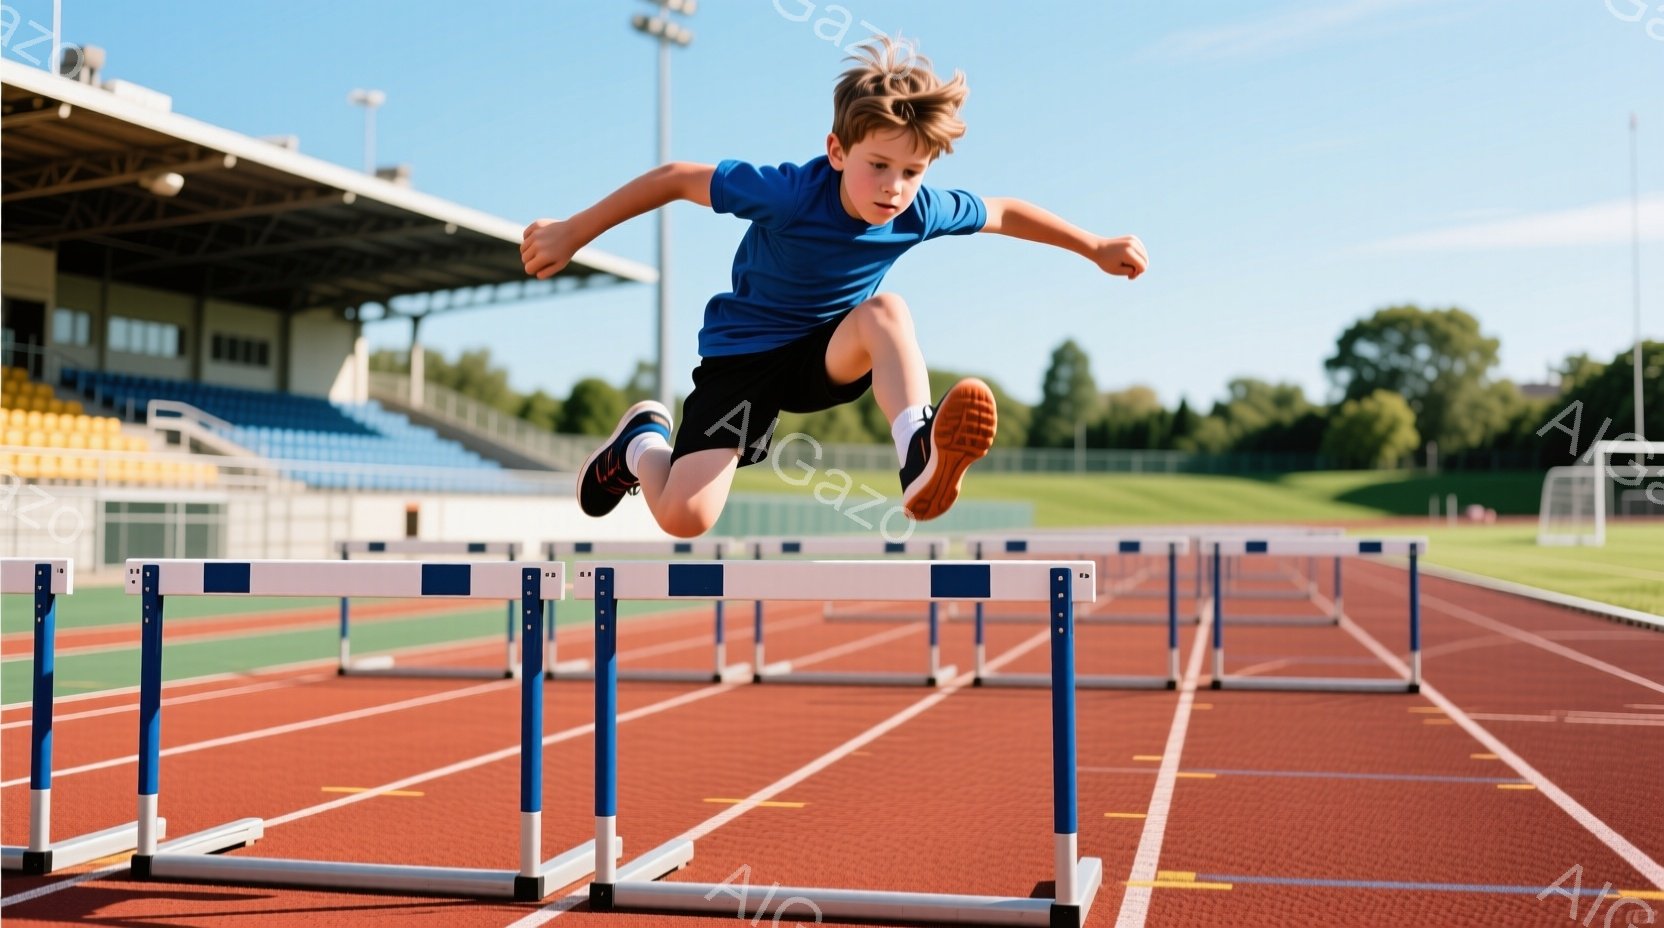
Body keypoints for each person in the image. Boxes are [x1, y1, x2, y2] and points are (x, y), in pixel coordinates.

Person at [522, 36, 1147, 537]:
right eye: (879, 166)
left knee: (887, 312)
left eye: (911, 172)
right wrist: (573, 232)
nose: (893, 188)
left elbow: (1004, 212)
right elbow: (675, 177)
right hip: (742, 363)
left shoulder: (917, 210)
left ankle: (918, 452)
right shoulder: (789, 193)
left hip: (826, 352)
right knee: (686, 518)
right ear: (838, 150)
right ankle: (639, 445)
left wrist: (1093, 246)